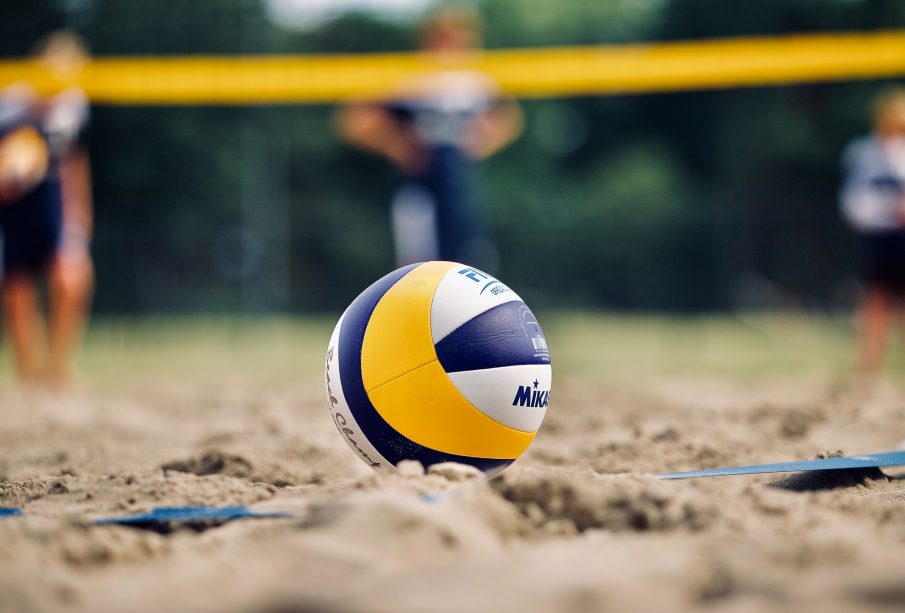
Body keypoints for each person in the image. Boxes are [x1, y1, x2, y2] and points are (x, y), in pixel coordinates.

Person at [336, 7, 522, 270]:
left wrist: (476, 145)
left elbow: (509, 119)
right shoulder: (412, 80)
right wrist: (398, 146)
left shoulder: (475, 82)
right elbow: (354, 118)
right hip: (420, 180)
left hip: (459, 182)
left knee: (467, 256)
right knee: (418, 261)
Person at [0, 32, 93, 387]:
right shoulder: (10, 103)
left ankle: (57, 367)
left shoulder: (73, 105)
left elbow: (75, 160)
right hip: (11, 205)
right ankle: (29, 374)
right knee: (17, 288)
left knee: (70, 278)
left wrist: (82, 213)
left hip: (51, 199)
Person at [840, 89, 905, 374]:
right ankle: (870, 363)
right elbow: (854, 199)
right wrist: (886, 209)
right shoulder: (863, 152)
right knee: (876, 299)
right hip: (879, 234)